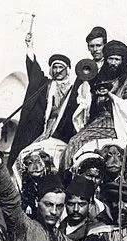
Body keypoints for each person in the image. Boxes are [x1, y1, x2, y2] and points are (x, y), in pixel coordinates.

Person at [9, 32, 77, 164]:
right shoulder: (45, 84)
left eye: (61, 67)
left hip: (63, 130)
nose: (57, 71)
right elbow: (34, 72)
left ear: (67, 69)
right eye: (55, 67)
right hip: (42, 129)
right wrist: (30, 47)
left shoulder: (75, 88)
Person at [62, 173, 95, 241]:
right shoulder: (57, 229)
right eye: (71, 204)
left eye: (81, 204)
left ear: (90, 205)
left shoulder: (96, 231)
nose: (76, 209)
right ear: (65, 204)